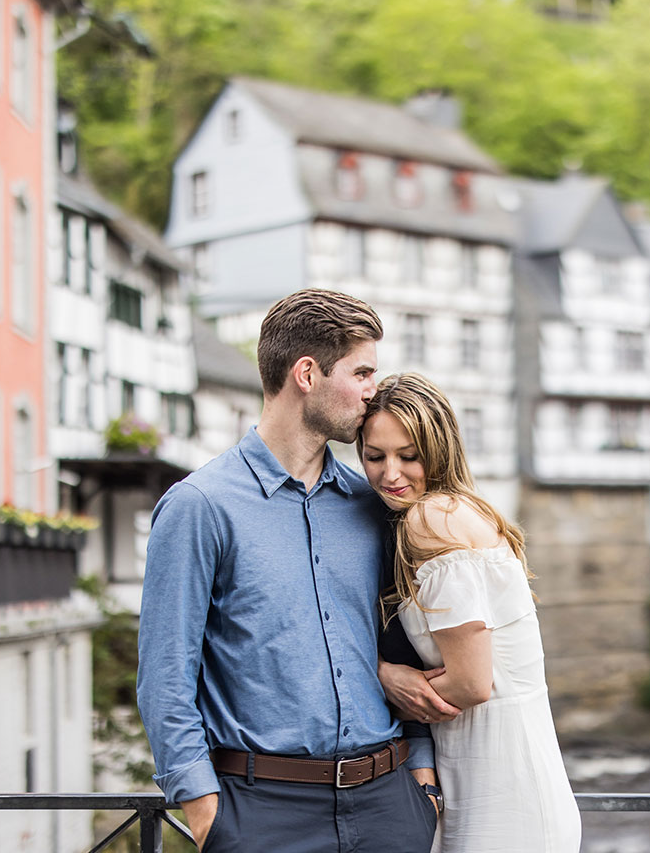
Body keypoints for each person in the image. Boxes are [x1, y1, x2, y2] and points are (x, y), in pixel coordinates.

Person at [137, 289, 449, 853]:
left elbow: (403, 644)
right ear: (307, 373)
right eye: (361, 371)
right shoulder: (200, 507)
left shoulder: (372, 505)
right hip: (262, 815)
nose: (373, 389)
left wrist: (421, 781)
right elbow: (165, 676)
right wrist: (207, 814)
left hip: (388, 807)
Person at [360, 373, 582, 853]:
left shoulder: (431, 519)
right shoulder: (459, 511)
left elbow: (470, 684)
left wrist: (380, 684)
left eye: (408, 455)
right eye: (374, 456)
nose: (390, 474)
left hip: (504, 787)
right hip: (491, 773)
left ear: (438, 451)